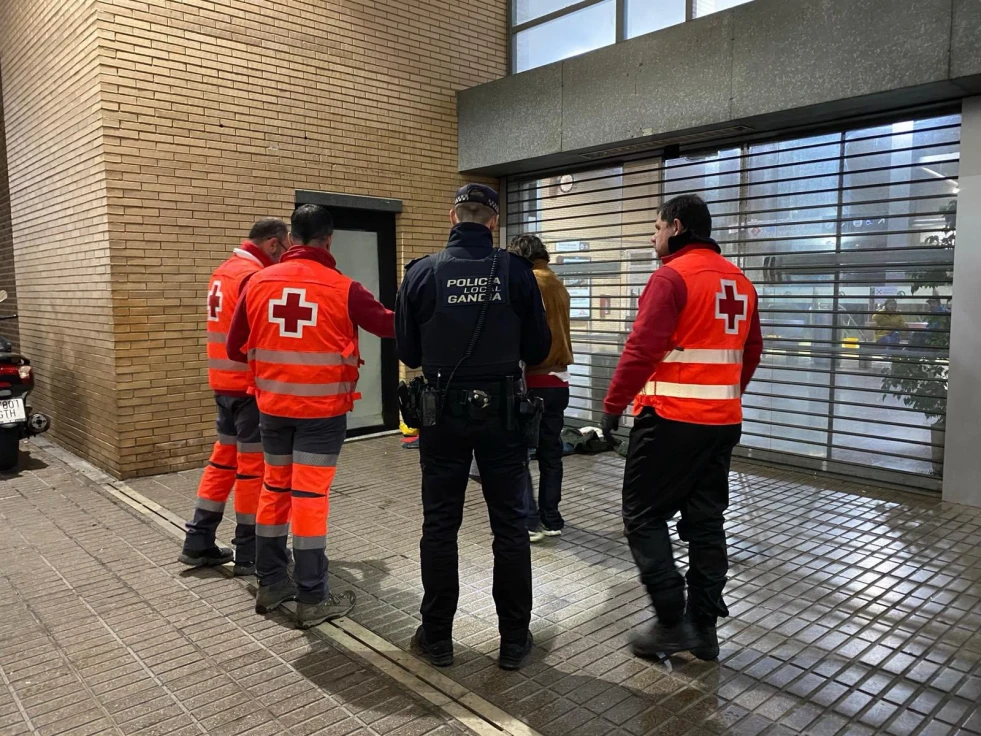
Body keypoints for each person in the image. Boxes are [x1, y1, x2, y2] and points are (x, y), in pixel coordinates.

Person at [600, 194, 762, 661]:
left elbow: (640, 350)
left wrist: (613, 404)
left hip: (671, 420)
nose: (653, 238)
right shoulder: (739, 281)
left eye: (655, 228)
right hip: (722, 422)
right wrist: (726, 395)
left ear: (675, 226)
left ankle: (671, 620)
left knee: (643, 514)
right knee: (706, 522)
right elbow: (752, 351)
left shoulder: (670, 277)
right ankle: (704, 627)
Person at [396, 184, 550, 670]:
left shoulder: (422, 273)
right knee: (510, 527)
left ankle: (438, 637)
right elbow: (539, 348)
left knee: (440, 525)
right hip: (503, 413)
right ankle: (514, 640)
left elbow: (409, 355)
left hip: (442, 414)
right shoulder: (517, 272)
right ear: (494, 221)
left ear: (452, 217)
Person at [226, 204, 395, 628]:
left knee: (274, 490)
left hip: (272, 409)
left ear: (292, 239)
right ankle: (313, 596)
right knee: (309, 499)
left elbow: (234, 349)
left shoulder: (257, 283)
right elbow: (390, 326)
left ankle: (270, 582)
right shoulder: (344, 287)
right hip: (321, 414)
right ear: (328, 239)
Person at [179, 218, 288, 575]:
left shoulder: (222, 271)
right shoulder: (253, 277)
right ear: (273, 244)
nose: (284, 255)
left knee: (222, 462)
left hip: (223, 387)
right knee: (253, 470)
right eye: (284, 249)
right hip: (248, 389)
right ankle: (249, 550)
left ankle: (198, 540)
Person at [507, 233, 574, 542]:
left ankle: (531, 520)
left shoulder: (529, 281)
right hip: (560, 381)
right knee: (551, 455)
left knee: (517, 453)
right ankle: (552, 517)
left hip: (533, 380)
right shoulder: (557, 283)